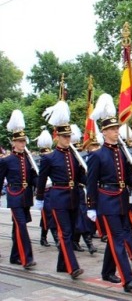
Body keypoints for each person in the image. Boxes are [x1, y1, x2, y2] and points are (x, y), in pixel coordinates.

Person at [86, 94, 132, 292]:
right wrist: (91, 206)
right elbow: (91, 183)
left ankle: (107, 271)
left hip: (121, 200)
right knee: (118, 238)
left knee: (117, 236)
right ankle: (128, 280)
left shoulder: (122, 152)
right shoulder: (96, 155)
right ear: (104, 132)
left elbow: (128, 178)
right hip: (107, 201)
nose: (116, 131)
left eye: (117, 128)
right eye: (111, 129)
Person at [35, 101, 86, 279]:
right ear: (57, 137)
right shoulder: (49, 158)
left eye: (69, 136)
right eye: (64, 137)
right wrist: (40, 197)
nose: (68, 139)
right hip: (58, 198)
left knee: (70, 232)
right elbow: (41, 179)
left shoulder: (74, 155)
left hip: (73, 198)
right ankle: (73, 267)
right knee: (64, 233)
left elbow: (80, 177)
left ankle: (62, 265)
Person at [0, 110, 37, 269]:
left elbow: (33, 177)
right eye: (20, 141)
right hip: (14, 196)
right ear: (13, 143)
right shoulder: (7, 160)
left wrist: (42, 184)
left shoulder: (29, 159)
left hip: (26, 197)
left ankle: (14, 256)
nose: (23, 144)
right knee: (21, 225)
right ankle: (26, 258)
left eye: (24, 141)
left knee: (18, 227)